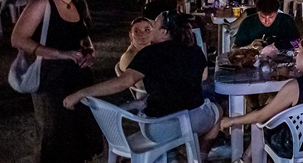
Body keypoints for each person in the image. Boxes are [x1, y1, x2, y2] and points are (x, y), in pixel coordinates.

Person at [64, 12, 221, 160]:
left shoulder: (150, 53)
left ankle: (184, 155)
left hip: (156, 128)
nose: (151, 27)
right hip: (193, 120)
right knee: (218, 110)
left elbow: (123, 82)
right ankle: (200, 155)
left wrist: (81, 93)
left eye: (154, 24)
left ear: (164, 32)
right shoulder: (194, 50)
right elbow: (204, 76)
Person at [11, 0, 101, 163]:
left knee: (79, 135)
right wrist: (59, 53)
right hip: (51, 81)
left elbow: (83, 36)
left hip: (79, 79)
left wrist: (90, 52)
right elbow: (17, 38)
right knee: (56, 136)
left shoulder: (77, 3)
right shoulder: (43, 3)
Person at [221, 35, 303, 158]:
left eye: (298, 52)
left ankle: (250, 158)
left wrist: (232, 120)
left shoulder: (295, 87)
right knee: (272, 102)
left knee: (259, 121)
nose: (296, 56)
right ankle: (246, 158)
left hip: (297, 144)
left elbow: (261, 116)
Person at [233, 0, 301, 52]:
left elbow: (298, 44)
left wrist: (278, 45)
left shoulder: (286, 21)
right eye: (263, 17)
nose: (267, 21)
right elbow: (234, 49)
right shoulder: (248, 23)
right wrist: (249, 47)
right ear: (257, 12)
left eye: (271, 17)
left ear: (277, 12)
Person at [118, 17, 154, 93]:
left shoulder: (152, 50)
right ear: (131, 35)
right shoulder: (129, 57)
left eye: (147, 30)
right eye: (137, 31)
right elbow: (141, 85)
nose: (142, 34)